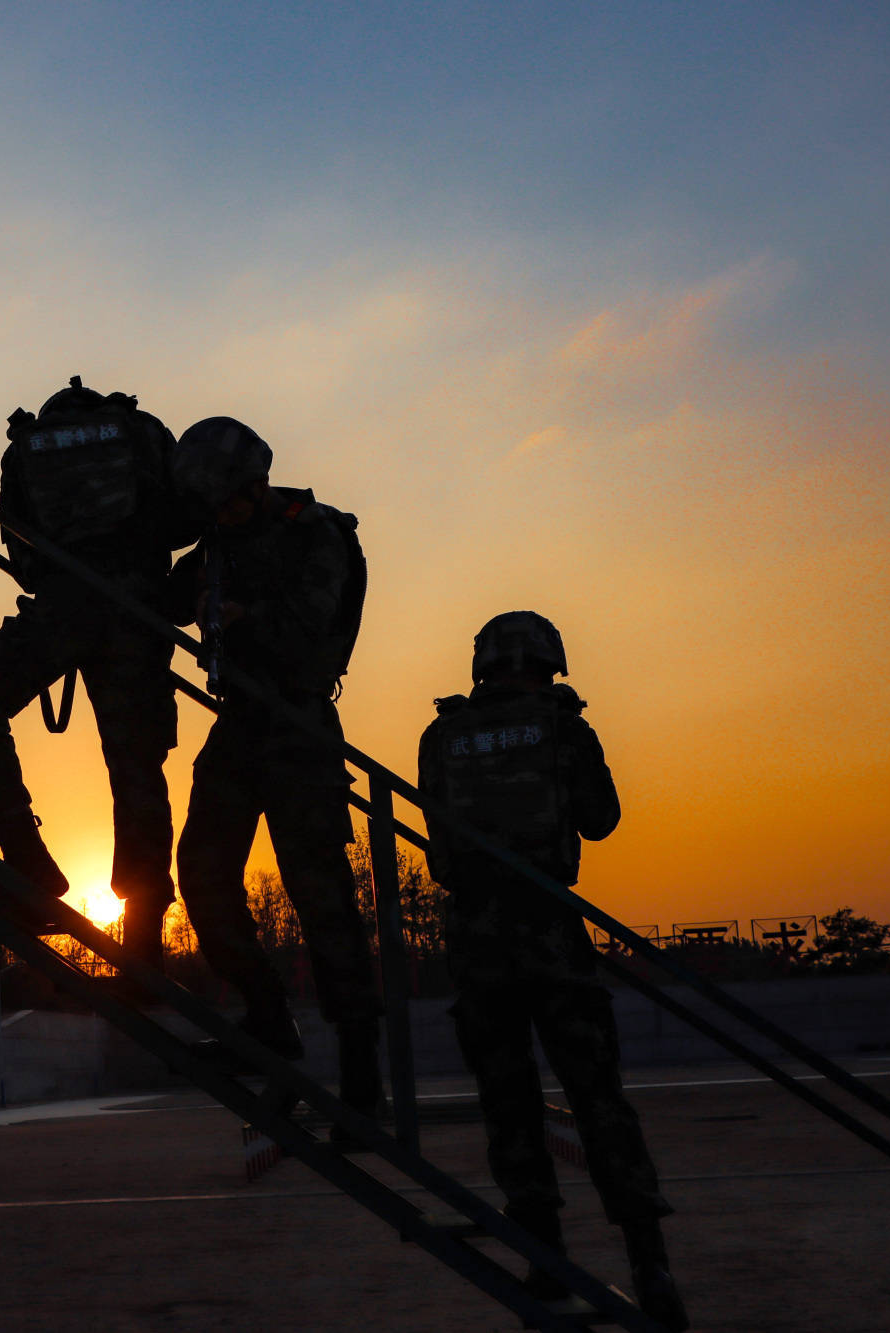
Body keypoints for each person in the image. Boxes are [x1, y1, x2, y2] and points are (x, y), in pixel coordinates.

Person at [417, 611, 686, 1329]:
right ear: (547, 661)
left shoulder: (442, 736)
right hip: (549, 933)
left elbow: (439, 851)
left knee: (510, 1102)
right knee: (597, 1096)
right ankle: (647, 1257)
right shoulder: (564, 727)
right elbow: (600, 819)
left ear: (482, 665)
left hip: (477, 939)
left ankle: (542, 1255)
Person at [166, 417, 382, 1123]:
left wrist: (237, 615)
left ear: (256, 483)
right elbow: (158, 596)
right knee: (199, 869)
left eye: (228, 500)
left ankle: (361, 1077)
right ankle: (267, 1017)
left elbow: (309, 630)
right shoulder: (215, 545)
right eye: (211, 508)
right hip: (240, 725)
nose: (221, 516)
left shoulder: (314, 531)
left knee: (323, 902)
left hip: (299, 723)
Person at [0, 378, 189, 962]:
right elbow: (181, 524)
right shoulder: (143, 433)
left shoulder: (27, 447)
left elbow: (22, 553)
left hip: (63, 606)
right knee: (136, 771)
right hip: (138, 613)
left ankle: (28, 864)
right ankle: (143, 940)